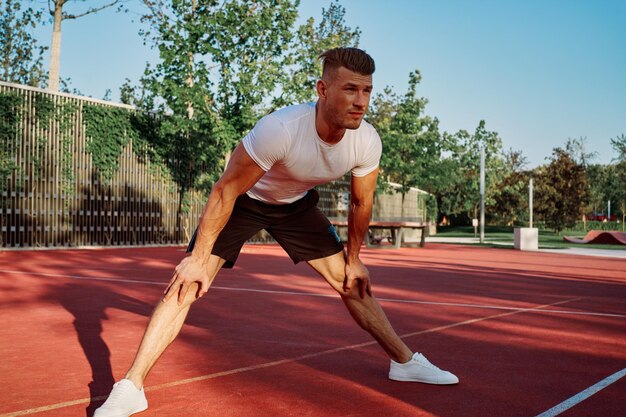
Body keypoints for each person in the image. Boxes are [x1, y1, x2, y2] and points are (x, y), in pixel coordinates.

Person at [95, 47, 458, 417]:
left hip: (296, 207)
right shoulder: (281, 129)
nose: (360, 101)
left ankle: (404, 362)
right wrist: (198, 260)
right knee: (188, 281)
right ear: (322, 89)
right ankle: (132, 386)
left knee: (353, 282)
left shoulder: (367, 141)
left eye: (367, 91)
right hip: (244, 202)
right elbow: (225, 190)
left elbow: (360, 204)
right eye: (350, 89)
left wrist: (355, 260)